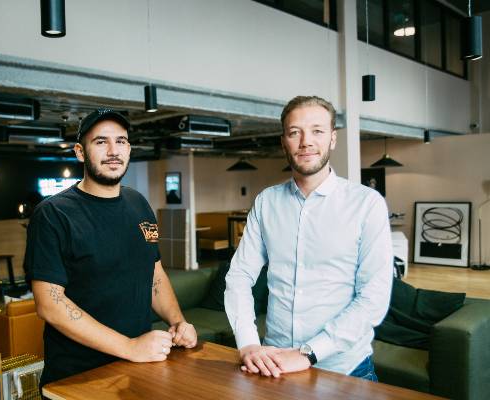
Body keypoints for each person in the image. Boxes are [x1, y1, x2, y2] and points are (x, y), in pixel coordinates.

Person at [25, 109, 197, 389]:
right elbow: (49, 305)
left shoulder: (138, 203)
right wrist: (130, 347)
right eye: (101, 142)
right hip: (79, 377)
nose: (113, 150)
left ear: (129, 149)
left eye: (121, 141)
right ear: (80, 152)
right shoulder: (53, 214)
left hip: (139, 368)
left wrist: (179, 322)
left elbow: (153, 274)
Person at [224, 96, 393, 381]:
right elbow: (239, 276)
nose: (305, 142)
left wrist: (308, 353)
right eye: (294, 132)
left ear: (333, 139)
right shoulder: (267, 202)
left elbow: (373, 298)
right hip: (274, 366)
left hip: (345, 369)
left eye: (317, 130)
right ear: (283, 142)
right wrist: (249, 343)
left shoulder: (367, 204)